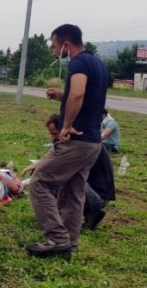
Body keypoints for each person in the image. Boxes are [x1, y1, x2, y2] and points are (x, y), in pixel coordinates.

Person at [25, 24, 108, 257]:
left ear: (67, 45)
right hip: (92, 142)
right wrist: (62, 95)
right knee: (74, 192)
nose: (54, 53)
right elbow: (88, 96)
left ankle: (56, 238)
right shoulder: (97, 64)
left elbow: (79, 93)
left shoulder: (78, 62)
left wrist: (68, 125)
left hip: (75, 140)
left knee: (40, 181)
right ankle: (69, 244)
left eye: (55, 47)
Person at [23, 114, 116, 230]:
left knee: (61, 179)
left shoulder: (79, 145)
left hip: (98, 197)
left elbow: (58, 170)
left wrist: (40, 168)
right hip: (91, 191)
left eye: (54, 133)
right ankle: (87, 213)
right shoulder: (79, 140)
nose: (53, 138)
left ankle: (85, 211)